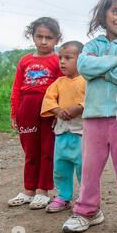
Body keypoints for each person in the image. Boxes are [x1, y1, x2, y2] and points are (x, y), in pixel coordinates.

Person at [62, 0, 117, 233]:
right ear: (103, 14)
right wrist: (113, 61)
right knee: (90, 168)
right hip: (94, 117)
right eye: (116, 11)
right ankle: (87, 211)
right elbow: (83, 66)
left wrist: (103, 70)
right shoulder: (91, 46)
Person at [8, 17, 63, 209]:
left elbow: (62, 88)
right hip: (27, 109)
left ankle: (43, 191)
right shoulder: (25, 61)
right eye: (39, 36)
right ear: (32, 37)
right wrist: (15, 113)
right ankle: (29, 190)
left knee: (48, 150)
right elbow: (16, 89)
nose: (43, 41)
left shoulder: (58, 61)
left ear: (57, 39)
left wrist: (58, 113)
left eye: (49, 37)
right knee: (30, 150)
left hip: (48, 110)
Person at [40, 41, 85, 213]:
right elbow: (48, 99)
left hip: (81, 133)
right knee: (60, 167)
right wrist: (58, 110)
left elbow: (93, 99)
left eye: (68, 58)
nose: (62, 62)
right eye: (60, 58)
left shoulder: (87, 81)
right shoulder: (59, 82)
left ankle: (85, 196)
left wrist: (79, 107)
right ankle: (63, 196)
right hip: (61, 133)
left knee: (83, 168)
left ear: (82, 60)